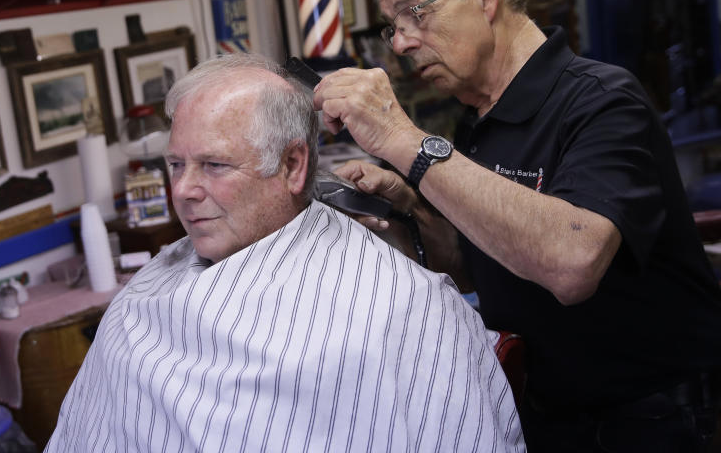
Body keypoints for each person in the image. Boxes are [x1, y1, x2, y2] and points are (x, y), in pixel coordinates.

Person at [313, 0, 721, 451]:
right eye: (393, 26)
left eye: (415, 13)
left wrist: (400, 138)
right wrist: (409, 209)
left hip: (651, 419)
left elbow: (572, 264)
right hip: (546, 412)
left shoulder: (602, 100)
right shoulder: (477, 118)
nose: (403, 43)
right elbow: (473, 262)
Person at [46, 54, 525, 452]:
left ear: (293, 165)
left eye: (213, 165)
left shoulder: (402, 307)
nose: (183, 190)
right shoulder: (150, 287)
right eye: (175, 164)